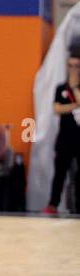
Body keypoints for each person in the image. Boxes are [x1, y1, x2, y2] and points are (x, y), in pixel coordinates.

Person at [43, 55, 80, 215]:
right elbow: (57, 109)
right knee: (60, 173)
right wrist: (74, 105)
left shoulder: (75, 88)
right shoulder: (60, 88)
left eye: (76, 66)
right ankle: (53, 204)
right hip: (64, 138)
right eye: (70, 65)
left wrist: (74, 88)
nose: (73, 69)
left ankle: (78, 207)